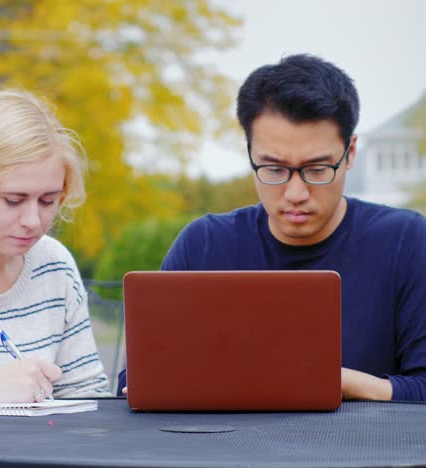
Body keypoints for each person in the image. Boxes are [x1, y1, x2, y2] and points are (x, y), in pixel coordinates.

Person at [118, 53, 426, 401]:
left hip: (363, 452)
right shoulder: (203, 244)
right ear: (250, 153)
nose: (296, 193)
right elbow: (138, 384)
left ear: (350, 152)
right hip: (227, 452)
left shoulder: (406, 241)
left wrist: (331, 381)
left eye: (318, 169)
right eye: (274, 169)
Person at [0, 90, 111, 403]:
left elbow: (87, 396)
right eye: (13, 200)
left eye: (48, 201)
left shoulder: (54, 265)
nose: (33, 220)